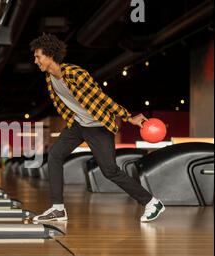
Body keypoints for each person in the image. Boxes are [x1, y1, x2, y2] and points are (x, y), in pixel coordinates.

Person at [30, 33, 165, 223]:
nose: (35, 60)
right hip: (78, 124)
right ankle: (58, 208)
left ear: (50, 55)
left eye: (38, 56)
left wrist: (128, 117)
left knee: (109, 170)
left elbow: (101, 98)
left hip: (98, 125)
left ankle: (152, 202)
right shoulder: (49, 78)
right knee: (55, 155)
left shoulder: (75, 73)